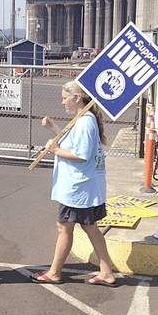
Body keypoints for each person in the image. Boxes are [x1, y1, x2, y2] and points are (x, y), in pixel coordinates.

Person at [31, 80, 117, 287]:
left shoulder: (86, 121)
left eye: (64, 98)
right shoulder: (83, 119)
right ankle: (106, 272)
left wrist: (55, 151)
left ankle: (54, 272)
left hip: (79, 187)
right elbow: (74, 142)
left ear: (77, 98)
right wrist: (54, 129)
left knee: (65, 227)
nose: (63, 102)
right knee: (88, 228)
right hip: (82, 187)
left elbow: (82, 155)